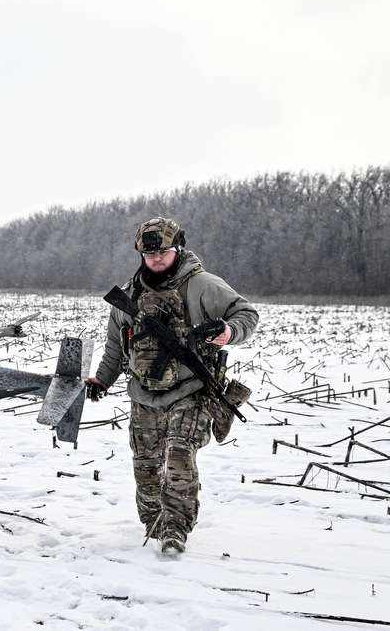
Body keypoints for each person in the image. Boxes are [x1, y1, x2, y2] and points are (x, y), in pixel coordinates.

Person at [85, 217, 259, 554]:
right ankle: (154, 524)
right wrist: (102, 380)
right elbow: (116, 347)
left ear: (177, 248)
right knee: (146, 465)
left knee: (179, 454)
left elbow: (246, 314)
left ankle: (175, 530)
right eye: (149, 254)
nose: (156, 259)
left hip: (190, 389)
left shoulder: (202, 285)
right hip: (144, 391)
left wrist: (228, 332)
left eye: (163, 252)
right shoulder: (130, 294)